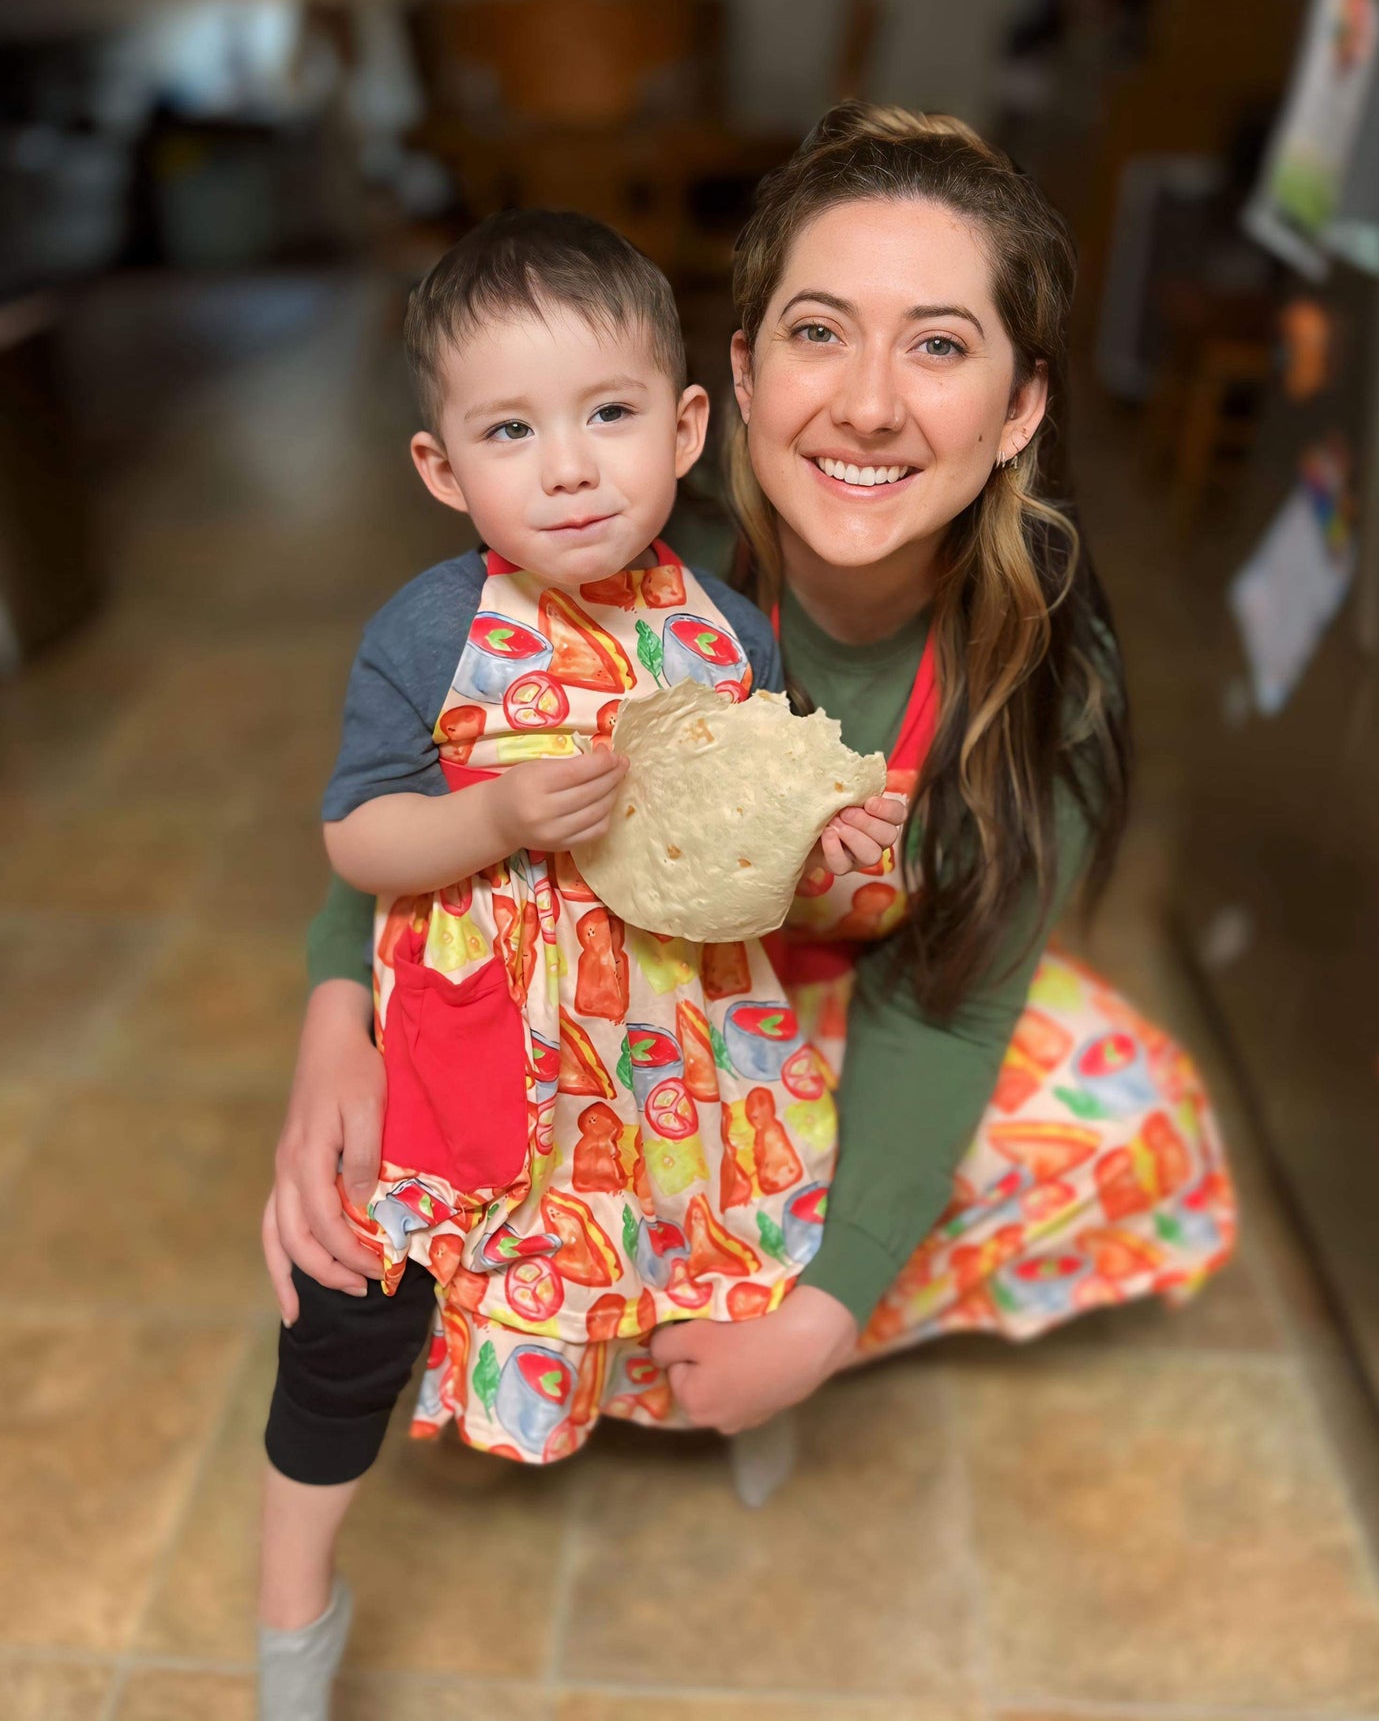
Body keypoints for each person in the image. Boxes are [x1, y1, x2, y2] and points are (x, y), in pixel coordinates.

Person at [266, 101, 1234, 1463]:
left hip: (820, 1034)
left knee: (1120, 1104)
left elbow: (952, 1010)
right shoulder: (616, 537)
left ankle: (694, 1337)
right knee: (393, 1231)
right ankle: (579, 1330)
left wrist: (825, 1314)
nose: (868, 405)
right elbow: (416, 787)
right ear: (732, 376)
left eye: (941, 347)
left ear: (1018, 409)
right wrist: (334, 1028)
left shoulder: (1039, 671)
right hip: (585, 1025)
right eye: (818, 331)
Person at [257, 207, 905, 1714]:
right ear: (442, 468)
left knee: (714, 1245)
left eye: (607, 415)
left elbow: (747, 863)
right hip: (480, 1044)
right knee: (357, 1297)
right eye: (509, 429)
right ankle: (295, 1607)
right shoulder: (428, 635)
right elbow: (357, 844)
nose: (565, 466)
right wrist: (485, 817)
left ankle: (744, 1409)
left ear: (683, 429)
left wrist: (824, 851)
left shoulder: (728, 635)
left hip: (678, 1043)